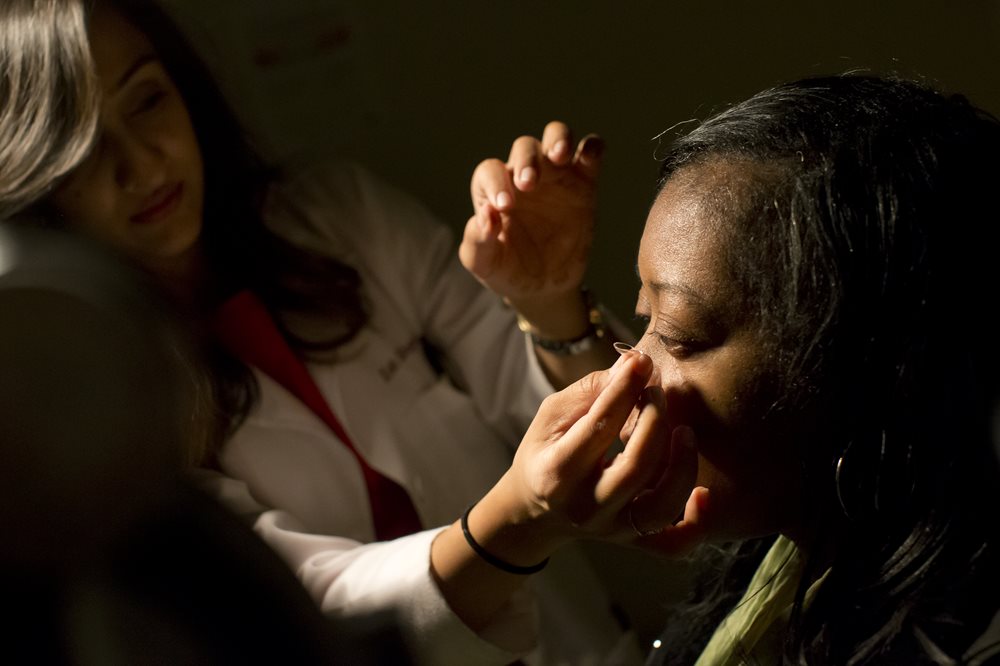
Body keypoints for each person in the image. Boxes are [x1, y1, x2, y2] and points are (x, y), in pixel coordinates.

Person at [28, 1, 642, 664]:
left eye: (146, 100)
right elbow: (304, 601)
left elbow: (576, 425)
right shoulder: (101, 420)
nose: (142, 165)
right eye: (84, 149)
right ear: (34, 189)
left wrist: (548, 304)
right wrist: (518, 520)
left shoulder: (337, 217)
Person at [467, 73, 1000, 664]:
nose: (628, 379)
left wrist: (522, 525)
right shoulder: (794, 567)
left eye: (678, 334)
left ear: (872, 370)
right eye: (645, 321)